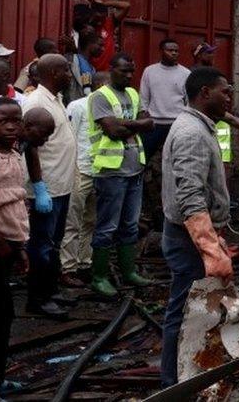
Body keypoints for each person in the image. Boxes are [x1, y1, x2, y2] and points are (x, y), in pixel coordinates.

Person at [160, 67, 234, 387]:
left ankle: (188, 375)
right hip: (187, 238)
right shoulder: (191, 132)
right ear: (204, 93)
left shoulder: (200, 126)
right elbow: (189, 195)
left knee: (196, 310)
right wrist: (210, 249)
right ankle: (174, 384)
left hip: (194, 234)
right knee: (185, 311)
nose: (229, 97)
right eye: (224, 91)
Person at [87, 54, 155, 297]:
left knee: (130, 224)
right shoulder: (100, 97)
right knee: (107, 226)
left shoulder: (133, 94)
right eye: (124, 71)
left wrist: (131, 124)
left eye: (131, 71)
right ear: (111, 68)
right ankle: (99, 277)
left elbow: (149, 122)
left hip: (134, 168)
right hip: (111, 171)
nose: (128, 76)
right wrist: (136, 124)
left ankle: (129, 271)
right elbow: (113, 131)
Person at [22, 54, 76, 318]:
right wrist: (39, 187)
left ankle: (51, 292)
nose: (71, 74)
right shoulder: (35, 102)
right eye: (67, 70)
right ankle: (38, 299)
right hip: (47, 188)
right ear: (54, 73)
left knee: (53, 243)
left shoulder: (56, 99)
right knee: (41, 246)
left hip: (62, 186)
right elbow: (29, 146)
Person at [0, 98, 32, 399]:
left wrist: (19, 248)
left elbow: (14, 206)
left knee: (3, 317)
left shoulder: (14, 154)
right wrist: (2, 243)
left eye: (16, 120)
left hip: (6, 248)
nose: (11, 126)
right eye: (3, 120)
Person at [59, 71, 109, 288]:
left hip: (101, 170)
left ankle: (84, 262)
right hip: (81, 169)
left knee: (91, 221)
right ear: (99, 86)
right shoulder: (78, 106)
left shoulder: (110, 107)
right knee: (73, 221)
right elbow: (71, 137)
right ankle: (68, 267)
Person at [139, 39, 191, 163]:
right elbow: (144, 96)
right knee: (143, 157)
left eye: (176, 51)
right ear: (161, 51)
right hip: (154, 124)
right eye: (170, 50)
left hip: (177, 124)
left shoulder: (186, 73)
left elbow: (188, 100)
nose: (174, 53)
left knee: (178, 159)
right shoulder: (149, 71)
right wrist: (143, 113)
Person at [63, 26, 104, 105]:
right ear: (90, 43)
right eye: (100, 45)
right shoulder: (70, 61)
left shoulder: (92, 68)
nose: (103, 49)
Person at [89, 0, 130, 72]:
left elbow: (126, 6)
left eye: (102, 18)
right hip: (91, 71)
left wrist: (105, 4)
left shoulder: (109, 23)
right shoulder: (87, 27)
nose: (99, 22)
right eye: (97, 18)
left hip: (107, 73)